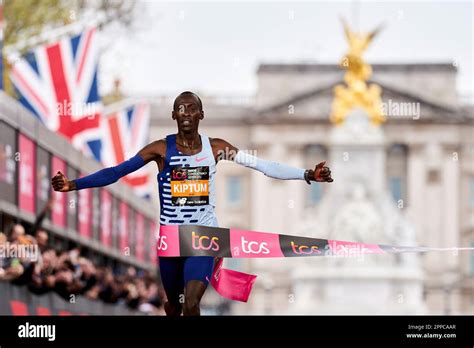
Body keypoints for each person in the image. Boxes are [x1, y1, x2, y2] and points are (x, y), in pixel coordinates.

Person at [51, 91, 333, 316]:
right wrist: (74, 184)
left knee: (192, 303)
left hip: (204, 235)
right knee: (174, 305)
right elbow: (116, 172)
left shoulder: (217, 147)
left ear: (201, 114)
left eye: (191, 108)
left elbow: (263, 166)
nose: (185, 113)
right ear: (174, 115)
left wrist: (306, 174)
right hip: (172, 237)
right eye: (180, 109)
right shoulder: (160, 149)